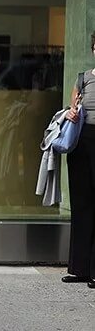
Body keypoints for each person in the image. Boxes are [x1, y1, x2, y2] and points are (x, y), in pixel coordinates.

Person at [63, 31, 95, 289]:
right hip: (81, 141)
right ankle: (79, 268)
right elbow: (73, 107)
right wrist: (72, 113)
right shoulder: (83, 78)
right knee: (81, 202)